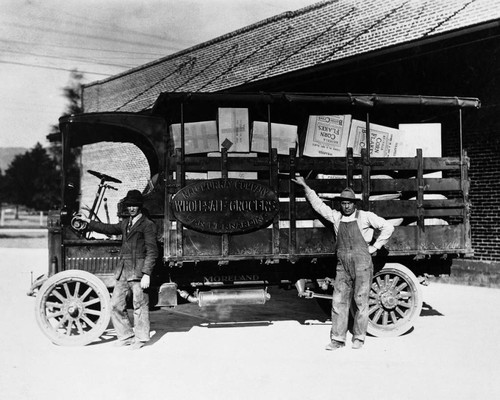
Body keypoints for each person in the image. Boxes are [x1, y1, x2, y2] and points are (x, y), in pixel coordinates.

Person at [292, 176, 394, 350]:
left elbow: (388, 227)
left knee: (360, 301)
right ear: (340, 204)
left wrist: (375, 247)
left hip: (362, 264)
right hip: (342, 266)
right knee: (339, 300)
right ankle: (338, 339)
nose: (346, 206)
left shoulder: (365, 217)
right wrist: (305, 187)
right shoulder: (336, 217)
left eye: (349, 203)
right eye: (343, 203)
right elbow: (318, 206)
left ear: (354, 203)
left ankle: (359, 337)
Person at [77, 189, 158, 350]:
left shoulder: (148, 225)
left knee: (139, 305)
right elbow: (107, 228)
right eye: (129, 205)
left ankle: (141, 338)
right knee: (115, 304)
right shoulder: (125, 223)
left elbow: (152, 251)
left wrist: (147, 274)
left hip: (138, 271)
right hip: (123, 271)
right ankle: (126, 335)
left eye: (135, 205)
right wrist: (88, 221)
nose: (132, 208)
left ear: (140, 206)